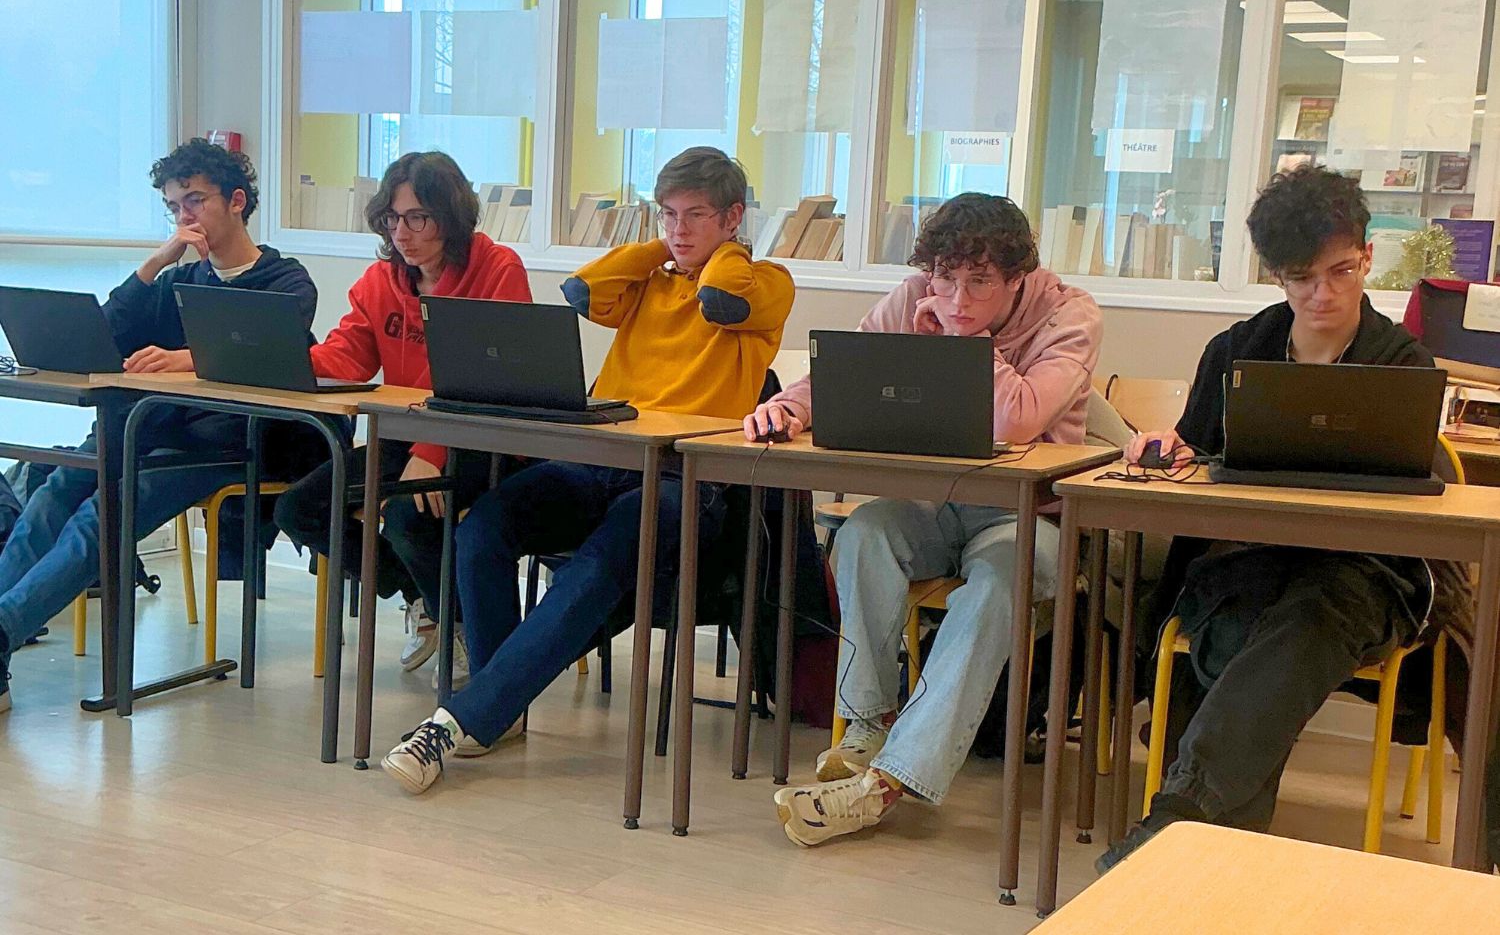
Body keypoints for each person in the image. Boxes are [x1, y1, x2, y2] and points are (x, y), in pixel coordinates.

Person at [380, 146, 794, 792]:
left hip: (686, 480)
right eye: (667, 214)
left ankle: (465, 719)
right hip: (601, 460)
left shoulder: (766, 281)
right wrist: (660, 249)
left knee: (601, 562)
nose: (678, 229)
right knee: (483, 527)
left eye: (696, 215)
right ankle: (496, 709)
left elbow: (721, 300)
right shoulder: (650, 281)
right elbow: (581, 291)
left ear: (734, 217)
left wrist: (719, 252)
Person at [1096, 165, 1472, 871]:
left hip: (1364, 576)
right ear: (1276, 275)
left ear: (1366, 255)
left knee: (1310, 614)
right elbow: (1195, 457)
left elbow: (1427, 496)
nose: (1322, 294)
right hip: (1251, 564)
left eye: (1340, 272)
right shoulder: (1236, 351)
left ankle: (1177, 829)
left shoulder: (1402, 364)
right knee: (1254, 626)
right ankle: (1197, 849)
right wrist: (1170, 452)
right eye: (1301, 278)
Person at [746, 192, 1102, 846]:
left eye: (980, 281)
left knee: (997, 584)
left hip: (1032, 518)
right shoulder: (914, 296)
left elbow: (1020, 418)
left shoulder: (1068, 313)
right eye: (945, 278)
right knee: (865, 533)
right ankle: (869, 724)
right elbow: (845, 372)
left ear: (1017, 276)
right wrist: (790, 408)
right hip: (934, 506)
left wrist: (968, 342)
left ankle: (889, 783)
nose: (957, 298)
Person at [0, 139, 317, 713]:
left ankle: (1, 633)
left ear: (236, 201)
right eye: (173, 206)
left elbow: (271, 352)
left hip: (223, 443)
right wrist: (155, 262)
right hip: (148, 430)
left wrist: (184, 360)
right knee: (53, 493)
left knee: (102, 516)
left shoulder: (285, 279)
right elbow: (105, 330)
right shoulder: (175, 280)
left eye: (194, 200)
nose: (184, 216)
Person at [273, 152, 532, 685]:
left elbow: (490, 379)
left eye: (417, 218)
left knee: (408, 518)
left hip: (482, 440)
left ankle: (463, 625)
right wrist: (275, 359)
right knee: (298, 509)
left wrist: (431, 451)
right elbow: (346, 359)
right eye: (393, 218)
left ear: (450, 216)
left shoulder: (497, 268)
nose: (402, 233)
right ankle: (428, 601)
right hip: (406, 438)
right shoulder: (381, 280)